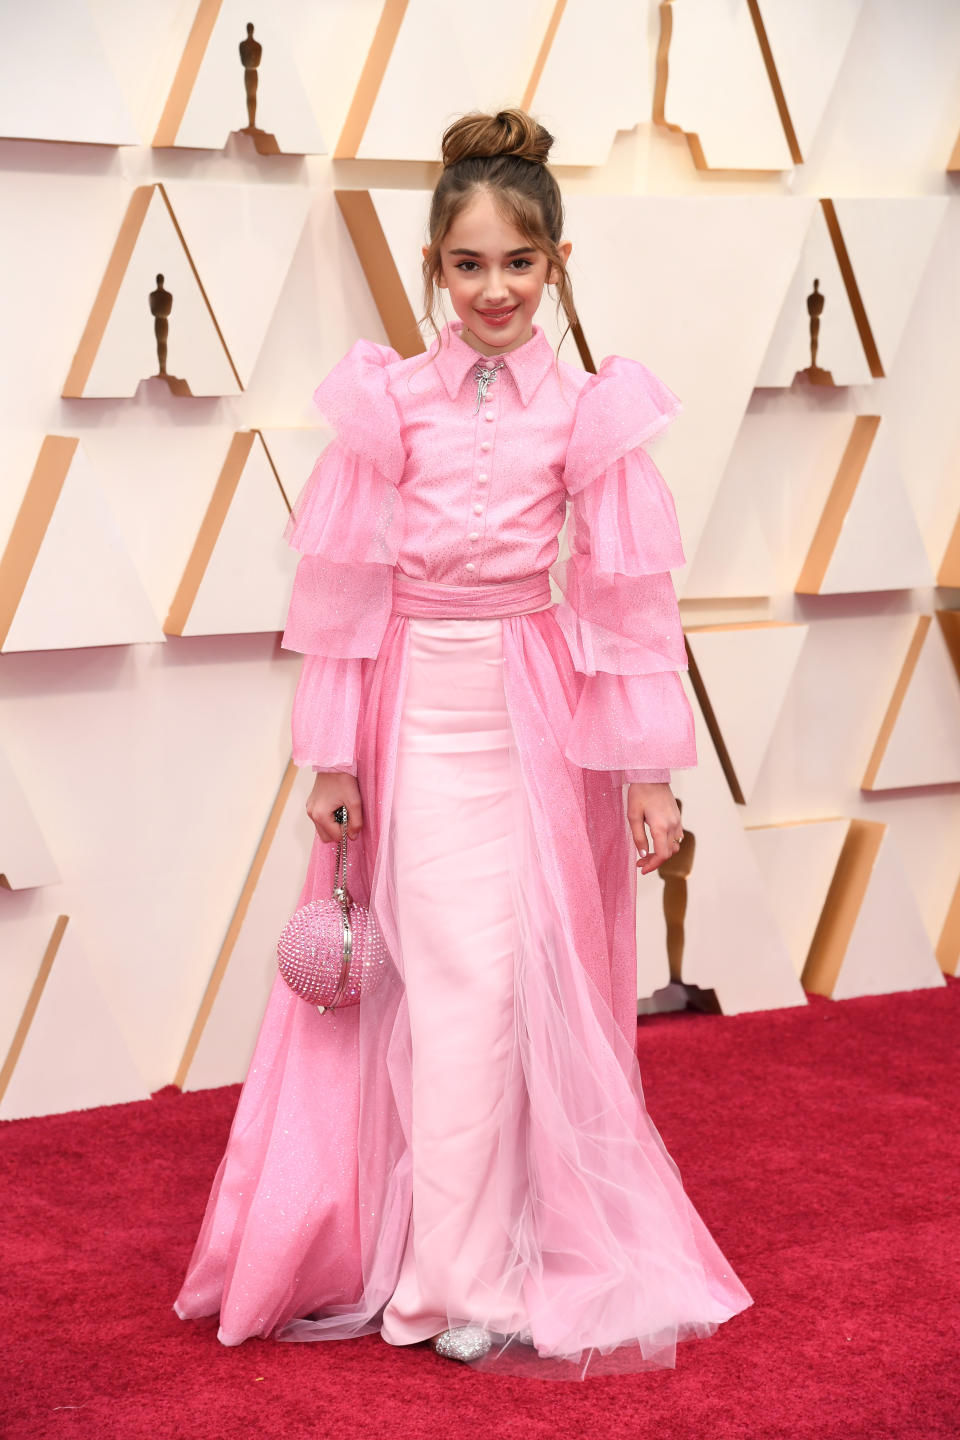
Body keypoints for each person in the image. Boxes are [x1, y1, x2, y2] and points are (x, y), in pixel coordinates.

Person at [173, 107, 753, 1379]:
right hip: (409, 714)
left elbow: (621, 601)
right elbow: (339, 599)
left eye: (521, 264)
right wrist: (333, 755)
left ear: (556, 266)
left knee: (505, 995)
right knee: (445, 998)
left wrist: (647, 770)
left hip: (534, 719)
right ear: (434, 265)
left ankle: (474, 1273)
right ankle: (443, 1266)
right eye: (468, 263)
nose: (495, 289)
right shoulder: (387, 404)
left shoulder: (592, 413)